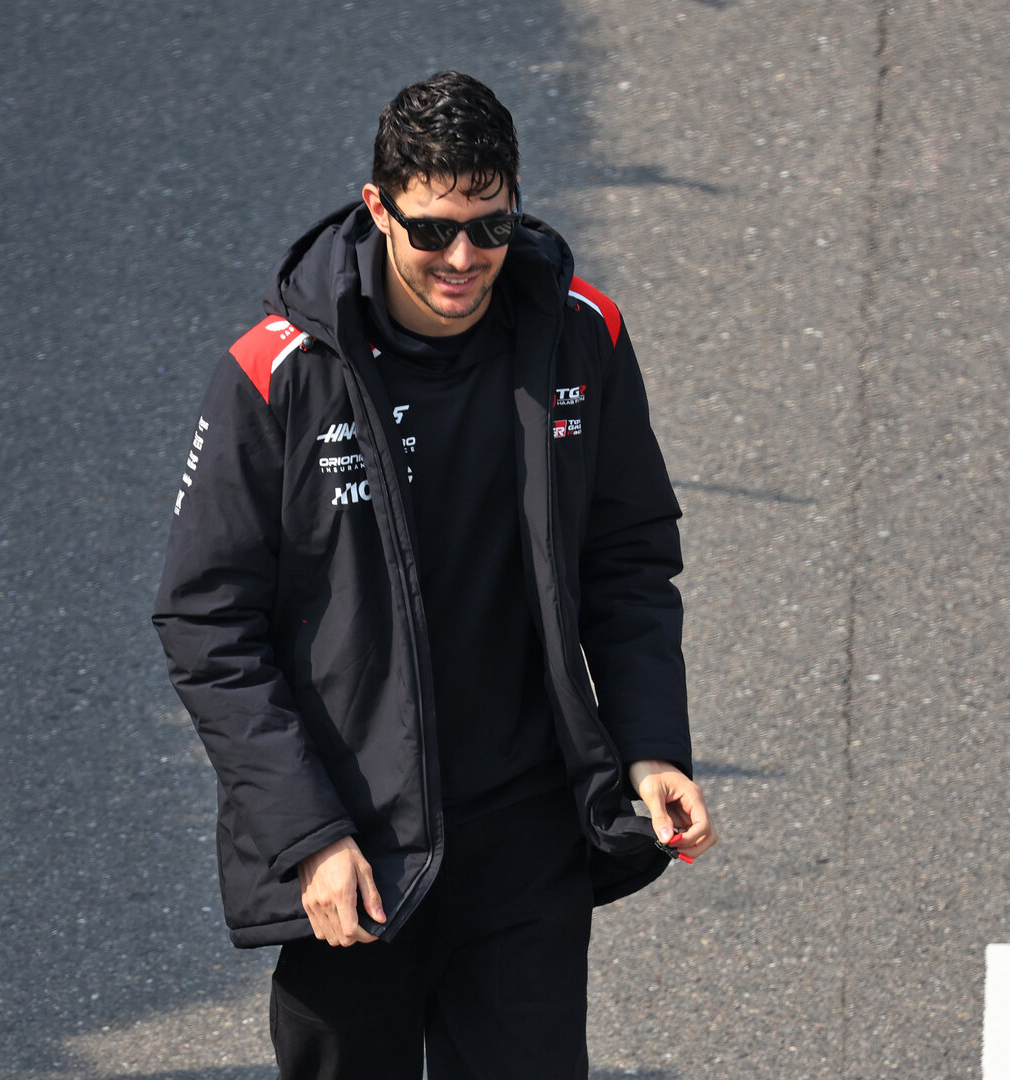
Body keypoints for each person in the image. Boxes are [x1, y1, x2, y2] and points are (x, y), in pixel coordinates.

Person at [152, 71, 715, 1080]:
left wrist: (650, 746)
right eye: (433, 231)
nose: (464, 259)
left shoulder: (580, 333)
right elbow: (206, 625)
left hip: (525, 835)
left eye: (491, 228)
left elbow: (625, 561)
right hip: (354, 848)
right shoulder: (277, 372)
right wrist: (307, 835)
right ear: (378, 209)